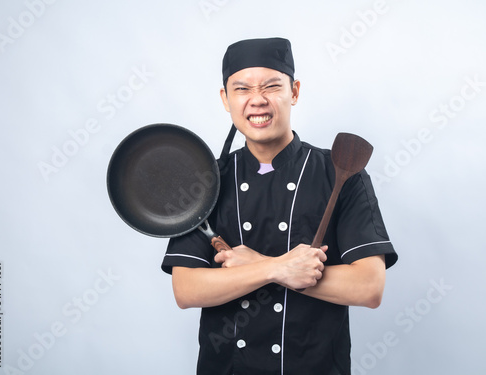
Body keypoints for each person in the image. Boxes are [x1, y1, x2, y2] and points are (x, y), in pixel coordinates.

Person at [161, 37, 398, 375]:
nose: (257, 100)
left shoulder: (341, 174)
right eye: (242, 89)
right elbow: (186, 289)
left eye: (272, 86)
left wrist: (257, 265)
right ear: (225, 100)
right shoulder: (206, 181)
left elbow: (368, 287)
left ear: (295, 92)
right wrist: (276, 269)